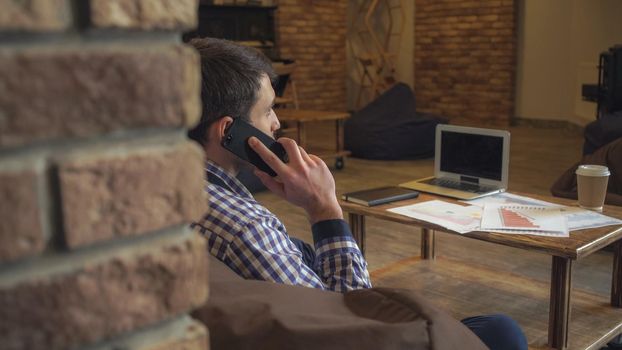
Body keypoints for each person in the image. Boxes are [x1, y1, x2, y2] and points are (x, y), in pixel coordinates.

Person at [188, 37, 527, 350]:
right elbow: (347, 324)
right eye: (268, 110)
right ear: (228, 131)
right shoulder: (245, 227)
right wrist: (324, 208)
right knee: (501, 331)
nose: (276, 123)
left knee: (484, 325)